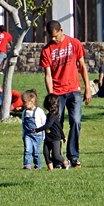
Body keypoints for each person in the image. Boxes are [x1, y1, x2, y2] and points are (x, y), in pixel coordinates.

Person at [40, 20, 91, 168]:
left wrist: (88, 88)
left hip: (74, 90)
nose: (53, 39)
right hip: (57, 93)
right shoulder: (46, 50)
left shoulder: (74, 43)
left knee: (76, 121)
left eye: (55, 36)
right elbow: (48, 75)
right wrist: (51, 95)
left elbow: (82, 66)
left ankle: (73, 156)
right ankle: (58, 158)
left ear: (61, 30)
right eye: (50, 36)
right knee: (56, 124)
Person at [36, 93, 67, 169]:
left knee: (56, 155)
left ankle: (66, 162)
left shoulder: (53, 116)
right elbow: (59, 127)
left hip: (55, 138)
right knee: (46, 153)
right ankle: (50, 169)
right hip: (48, 138)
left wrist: (37, 130)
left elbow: (48, 126)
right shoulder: (48, 115)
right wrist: (63, 136)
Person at [20, 89, 46, 170]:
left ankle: (37, 165)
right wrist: (23, 134)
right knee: (27, 150)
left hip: (37, 135)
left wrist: (43, 135)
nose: (23, 104)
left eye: (25, 102)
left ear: (32, 101)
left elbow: (44, 123)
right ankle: (27, 164)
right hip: (27, 134)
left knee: (36, 151)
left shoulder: (39, 111)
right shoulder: (24, 112)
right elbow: (23, 124)